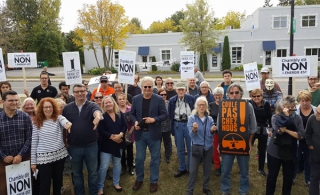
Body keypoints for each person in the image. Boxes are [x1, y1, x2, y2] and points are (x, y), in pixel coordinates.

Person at [62, 83, 103, 195]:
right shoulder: (67, 108)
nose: (80, 93)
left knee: (93, 172)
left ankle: (93, 192)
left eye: (82, 91)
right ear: (73, 93)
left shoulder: (92, 105)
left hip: (91, 146)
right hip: (74, 146)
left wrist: (97, 117)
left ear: (86, 92)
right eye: (77, 91)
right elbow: (62, 123)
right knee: (76, 173)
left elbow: (97, 112)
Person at [129, 76, 167, 193]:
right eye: (145, 86)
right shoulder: (136, 99)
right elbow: (132, 114)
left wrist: (154, 119)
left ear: (153, 87)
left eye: (149, 87)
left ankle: (154, 181)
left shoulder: (159, 99)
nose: (147, 89)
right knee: (140, 158)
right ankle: (139, 179)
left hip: (153, 133)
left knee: (155, 159)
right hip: (140, 134)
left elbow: (164, 115)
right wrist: (135, 121)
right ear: (141, 87)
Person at [218, 83, 257, 195]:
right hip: (226, 143)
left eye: (236, 92)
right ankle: (225, 189)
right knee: (225, 170)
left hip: (243, 143)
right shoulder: (223, 105)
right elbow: (219, 126)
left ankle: (243, 190)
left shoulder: (247, 106)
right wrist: (219, 143)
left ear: (241, 94)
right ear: (228, 95)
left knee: (244, 171)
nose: (234, 95)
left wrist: (249, 142)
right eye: (231, 93)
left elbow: (253, 127)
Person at [31, 97, 72, 195]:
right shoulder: (37, 122)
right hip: (44, 159)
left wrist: (68, 124)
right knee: (45, 184)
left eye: (50, 107)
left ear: (54, 108)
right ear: (41, 109)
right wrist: (33, 162)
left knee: (58, 183)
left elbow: (64, 121)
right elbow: (34, 142)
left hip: (59, 156)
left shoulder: (58, 118)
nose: (48, 109)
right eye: (45, 107)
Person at [266, 95, 305, 195]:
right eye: (288, 107)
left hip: (290, 151)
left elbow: (301, 135)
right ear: (282, 106)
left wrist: (287, 130)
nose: (290, 109)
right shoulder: (275, 116)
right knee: (272, 176)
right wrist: (286, 117)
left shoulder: (298, 118)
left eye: (292, 107)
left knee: (288, 178)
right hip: (275, 151)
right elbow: (278, 131)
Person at [0, 90, 32, 194]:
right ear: (3, 101)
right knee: (3, 189)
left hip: (23, 160)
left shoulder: (25, 117)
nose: (14, 103)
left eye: (16, 100)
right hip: (3, 161)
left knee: (24, 189)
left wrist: (20, 155)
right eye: (11, 100)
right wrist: (3, 156)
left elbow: (30, 138)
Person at [186, 96, 216, 195]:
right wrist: (194, 129)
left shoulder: (210, 118)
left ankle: (205, 187)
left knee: (207, 169)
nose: (201, 106)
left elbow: (210, 135)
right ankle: (190, 190)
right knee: (193, 170)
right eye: (200, 105)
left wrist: (212, 131)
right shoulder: (191, 118)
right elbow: (191, 135)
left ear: (206, 106)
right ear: (196, 106)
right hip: (196, 147)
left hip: (208, 147)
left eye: (203, 105)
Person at [97, 96, 127, 194]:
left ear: (113, 103)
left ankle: (116, 183)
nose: (108, 104)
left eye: (110, 102)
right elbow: (101, 130)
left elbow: (124, 126)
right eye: (106, 103)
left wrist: (121, 135)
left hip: (119, 143)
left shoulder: (120, 114)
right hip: (106, 145)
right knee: (104, 166)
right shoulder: (102, 116)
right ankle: (100, 187)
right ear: (103, 105)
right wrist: (113, 137)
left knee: (117, 164)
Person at [168, 82, 195, 177]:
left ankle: (190, 168)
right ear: (176, 90)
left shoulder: (191, 98)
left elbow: (195, 111)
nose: (180, 91)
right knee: (179, 147)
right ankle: (182, 167)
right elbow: (170, 114)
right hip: (177, 124)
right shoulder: (172, 100)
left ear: (185, 90)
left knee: (190, 147)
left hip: (189, 124)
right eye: (179, 89)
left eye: (182, 89)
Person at [293, 90, 316, 187]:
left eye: (307, 101)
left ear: (310, 100)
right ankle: (292, 178)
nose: (304, 103)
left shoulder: (315, 110)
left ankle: (308, 179)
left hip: (310, 140)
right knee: (295, 159)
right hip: (297, 139)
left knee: (309, 160)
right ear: (299, 101)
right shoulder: (295, 110)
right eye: (302, 101)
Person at [248, 89, 272, 177]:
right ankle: (244, 166)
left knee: (262, 149)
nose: (256, 98)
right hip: (251, 128)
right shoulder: (249, 103)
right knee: (247, 147)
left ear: (262, 96)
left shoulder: (266, 104)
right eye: (254, 96)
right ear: (251, 97)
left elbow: (270, 117)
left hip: (263, 128)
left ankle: (261, 168)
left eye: (258, 96)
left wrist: (271, 129)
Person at [117, 93, 135, 176]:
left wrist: (130, 132)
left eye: (123, 99)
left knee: (130, 150)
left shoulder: (130, 109)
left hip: (130, 133)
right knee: (122, 151)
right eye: (120, 99)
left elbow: (134, 121)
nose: (121, 100)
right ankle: (123, 166)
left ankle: (130, 165)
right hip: (120, 133)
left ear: (126, 100)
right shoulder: (116, 110)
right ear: (117, 101)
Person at [209, 87, 224, 176]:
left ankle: (225, 165)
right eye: (216, 95)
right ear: (213, 96)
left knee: (224, 149)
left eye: (219, 94)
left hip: (225, 130)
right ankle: (217, 166)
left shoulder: (227, 104)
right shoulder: (211, 105)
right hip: (215, 130)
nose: (217, 96)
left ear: (223, 95)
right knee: (215, 150)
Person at [305, 105, 320, 195]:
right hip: (315, 153)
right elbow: (308, 133)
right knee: (314, 176)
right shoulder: (312, 118)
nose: (316, 114)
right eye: (317, 111)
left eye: (318, 113)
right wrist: (310, 145)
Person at [158, 89, 172, 164]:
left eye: (165, 94)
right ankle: (158, 156)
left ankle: (167, 156)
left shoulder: (169, 103)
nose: (163, 96)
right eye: (161, 95)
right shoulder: (156, 103)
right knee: (158, 143)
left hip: (167, 126)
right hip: (158, 127)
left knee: (167, 142)